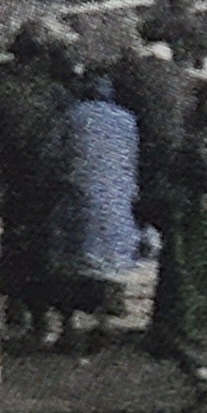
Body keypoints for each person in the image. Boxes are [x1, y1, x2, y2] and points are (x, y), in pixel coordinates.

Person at [113, 13, 207, 411]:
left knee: (177, 265)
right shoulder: (189, 86)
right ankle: (195, 358)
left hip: (151, 184)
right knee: (189, 271)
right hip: (189, 187)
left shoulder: (129, 76)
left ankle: (176, 345)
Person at [0, 17, 83, 350]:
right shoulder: (52, 94)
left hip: (20, 185)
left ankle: (32, 314)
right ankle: (51, 319)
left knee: (25, 250)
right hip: (43, 185)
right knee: (49, 253)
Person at [53, 69, 145, 347]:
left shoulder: (70, 117)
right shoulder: (127, 121)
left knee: (69, 265)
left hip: (77, 198)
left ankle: (69, 324)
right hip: (118, 198)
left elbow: (53, 156)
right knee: (110, 264)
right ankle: (104, 321)